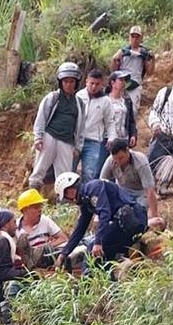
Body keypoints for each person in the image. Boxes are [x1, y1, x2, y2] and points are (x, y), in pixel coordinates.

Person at [53, 172, 148, 273]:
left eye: (67, 197)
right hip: (126, 224)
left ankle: (87, 284)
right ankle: (112, 281)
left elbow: (104, 213)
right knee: (105, 253)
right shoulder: (86, 200)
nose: (70, 201)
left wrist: (98, 242)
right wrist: (64, 253)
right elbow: (80, 228)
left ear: (69, 191)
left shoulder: (94, 188)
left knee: (92, 249)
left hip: (133, 221)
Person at [28, 62, 86, 190]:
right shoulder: (53, 97)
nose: (69, 85)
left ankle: (63, 203)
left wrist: (78, 146)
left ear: (76, 83)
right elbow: (41, 117)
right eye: (66, 81)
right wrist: (38, 137)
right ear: (61, 82)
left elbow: (81, 127)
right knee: (40, 168)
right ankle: (33, 195)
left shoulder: (79, 103)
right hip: (50, 136)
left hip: (67, 141)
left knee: (65, 175)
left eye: (72, 81)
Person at [100, 139, 162, 227]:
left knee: (139, 216)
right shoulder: (110, 161)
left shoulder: (140, 161)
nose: (118, 161)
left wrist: (154, 216)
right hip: (122, 192)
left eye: (121, 158)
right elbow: (101, 184)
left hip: (140, 193)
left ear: (127, 151)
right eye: (115, 159)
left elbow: (150, 190)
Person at [15, 189, 67, 270]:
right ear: (25, 210)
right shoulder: (15, 227)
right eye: (36, 207)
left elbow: (63, 238)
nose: (40, 210)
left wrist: (45, 249)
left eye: (40, 206)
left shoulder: (45, 221)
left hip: (46, 262)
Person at [76, 69, 112, 182]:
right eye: (91, 83)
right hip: (75, 139)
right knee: (69, 170)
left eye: (97, 84)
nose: (94, 86)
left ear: (102, 84)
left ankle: (86, 197)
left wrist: (111, 138)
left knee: (89, 173)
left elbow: (110, 122)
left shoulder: (106, 101)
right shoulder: (78, 96)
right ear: (86, 81)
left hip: (93, 141)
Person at [111, 25, 155, 116]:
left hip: (135, 84)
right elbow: (113, 69)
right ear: (129, 37)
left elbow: (150, 72)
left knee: (133, 112)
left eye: (137, 37)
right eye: (133, 36)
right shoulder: (123, 51)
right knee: (116, 110)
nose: (134, 39)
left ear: (141, 38)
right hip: (122, 82)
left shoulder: (144, 53)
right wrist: (115, 60)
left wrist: (153, 60)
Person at [106, 70, 137, 149]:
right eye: (120, 80)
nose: (123, 83)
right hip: (107, 139)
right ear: (113, 83)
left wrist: (133, 135)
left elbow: (131, 120)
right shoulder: (105, 100)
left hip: (123, 139)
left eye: (124, 80)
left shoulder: (127, 100)